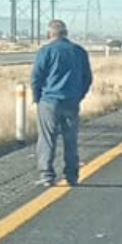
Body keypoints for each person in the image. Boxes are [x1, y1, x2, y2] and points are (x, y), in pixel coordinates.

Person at [31, 19, 93, 187]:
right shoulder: (79, 51)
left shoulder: (46, 51)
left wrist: (37, 98)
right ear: (66, 34)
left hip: (49, 101)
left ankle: (47, 175)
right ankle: (72, 175)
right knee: (70, 139)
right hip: (71, 101)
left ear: (50, 34)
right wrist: (79, 96)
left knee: (47, 138)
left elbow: (36, 77)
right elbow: (87, 78)